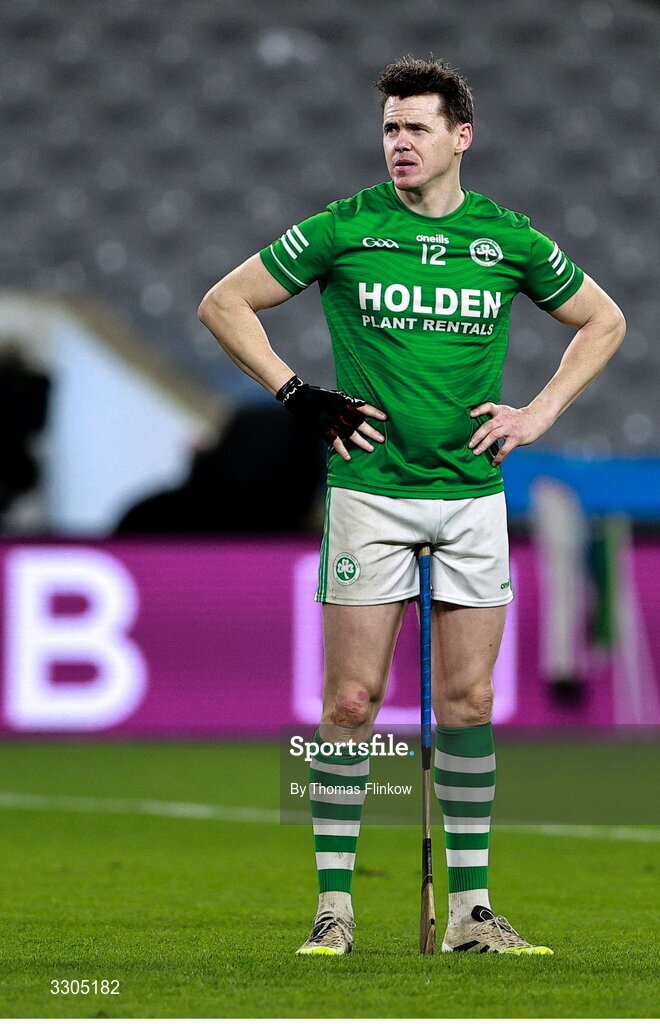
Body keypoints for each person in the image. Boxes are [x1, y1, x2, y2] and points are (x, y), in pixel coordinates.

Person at [198, 56, 625, 956]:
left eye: (417, 127)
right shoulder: (347, 227)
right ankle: (334, 910)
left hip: (472, 495)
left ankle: (472, 911)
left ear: (460, 137)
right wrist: (293, 391)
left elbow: (605, 319)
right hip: (371, 494)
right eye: (390, 127)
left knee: (468, 702)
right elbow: (223, 302)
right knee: (351, 702)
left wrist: (540, 410)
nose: (399, 142)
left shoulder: (506, 237)